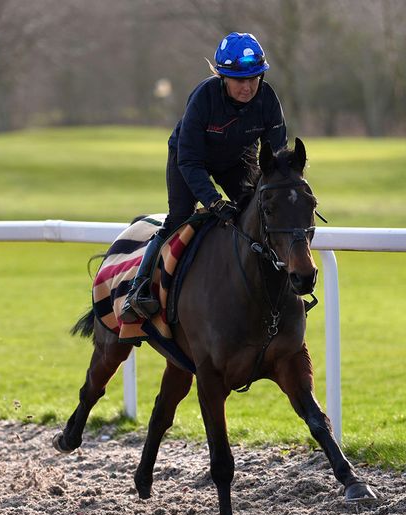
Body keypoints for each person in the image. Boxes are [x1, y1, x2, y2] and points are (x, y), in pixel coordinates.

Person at [120, 32, 288, 322]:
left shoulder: (268, 99)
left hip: (235, 161)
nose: (248, 87)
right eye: (240, 80)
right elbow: (189, 160)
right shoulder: (204, 97)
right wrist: (212, 201)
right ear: (222, 76)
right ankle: (140, 289)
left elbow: (276, 160)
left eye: (254, 78)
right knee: (178, 218)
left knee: (256, 214)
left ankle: (268, 289)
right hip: (189, 159)